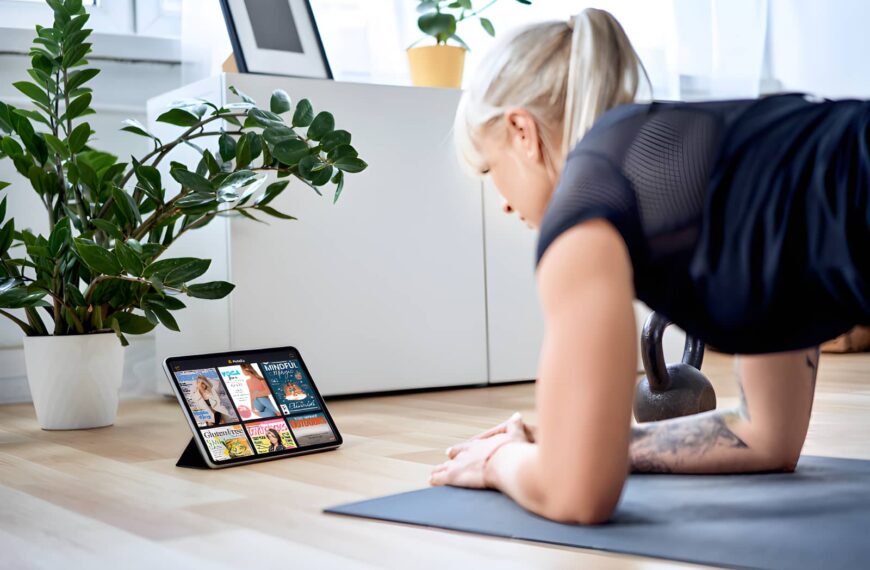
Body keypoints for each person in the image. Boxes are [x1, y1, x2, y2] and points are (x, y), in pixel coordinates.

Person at [430, 8, 869, 524]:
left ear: (522, 131)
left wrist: (499, 461)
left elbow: (578, 495)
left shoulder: (584, 208)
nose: (501, 202)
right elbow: (765, 437)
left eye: (488, 167)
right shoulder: (738, 162)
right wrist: (574, 441)